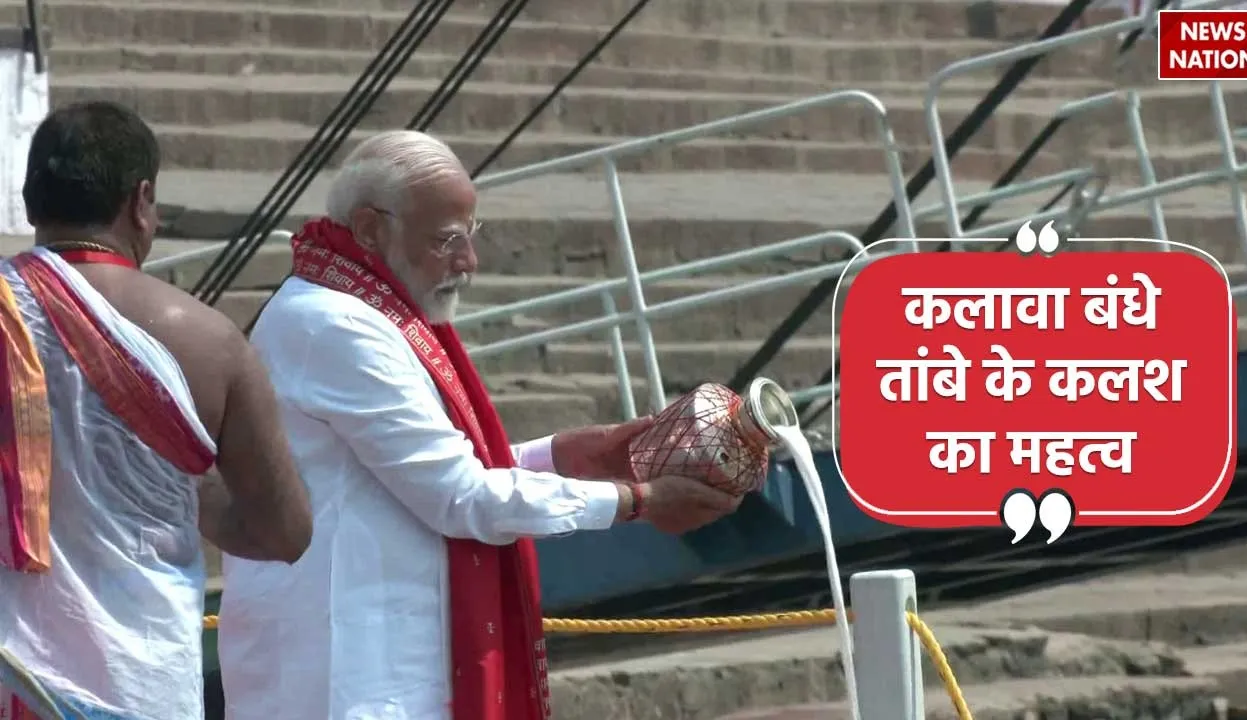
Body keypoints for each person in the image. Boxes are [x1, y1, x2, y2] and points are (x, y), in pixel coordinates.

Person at [216, 130, 742, 720]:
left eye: (472, 236)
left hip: (382, 664)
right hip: (345, 677)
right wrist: (635, 501)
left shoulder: (362, 306)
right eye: (447, 241)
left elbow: (430, 472)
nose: (469, 263)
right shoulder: (334, 325)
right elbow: (458, 495)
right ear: (369, 229)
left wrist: (560, 456)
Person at [0, 100, 314, 720]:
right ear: (141, 201)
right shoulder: (210, 340)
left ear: (31, 203)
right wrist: (178, 489)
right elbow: (287, 531)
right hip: (140, 684)